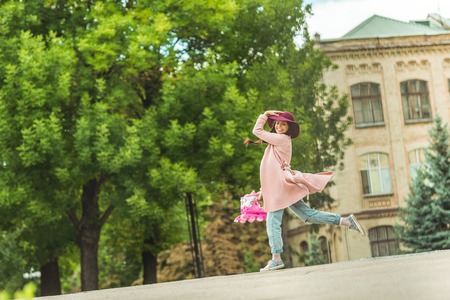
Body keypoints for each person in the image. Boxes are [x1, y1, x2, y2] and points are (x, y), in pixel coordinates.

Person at [245, 110, 365, 272]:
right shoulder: (274, 144)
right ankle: (346, 221)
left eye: (283, 124)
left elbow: (257, 131)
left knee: (272, 221)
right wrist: (262, 192)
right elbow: (271, 171)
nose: (279, 126)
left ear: (289, 128)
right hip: (279, 187)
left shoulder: (282, 140)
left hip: (280, 188)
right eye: (277, 124)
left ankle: (276, 258)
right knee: (308, 215)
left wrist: (265, 114)